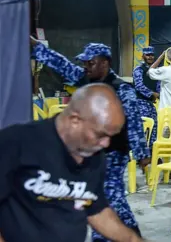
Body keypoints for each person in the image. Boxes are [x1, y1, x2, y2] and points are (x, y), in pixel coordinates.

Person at [30, 39, 151, 241]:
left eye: (90, 63)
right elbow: (63, 65)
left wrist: (142, 154)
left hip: (112, 155)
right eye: (84, 63)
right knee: (98, 199)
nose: (85, 67)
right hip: (88, 154)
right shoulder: (86, 80)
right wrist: (37, 46)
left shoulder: (121, 89)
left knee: (109, 198)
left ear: (105, 63)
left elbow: (134, 123)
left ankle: (127, 235)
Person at [0, 84, 144, 242]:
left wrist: (133, 239)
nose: (106, 143)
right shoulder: (17, 143)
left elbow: (95, 208)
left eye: (111, 136)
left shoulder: (94, 155)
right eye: (100, 134)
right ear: (75, 120)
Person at [132, 46, 160, 151]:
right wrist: (152, 94)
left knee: (154, 128)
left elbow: (158, 86)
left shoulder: (156, 71)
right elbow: (139, 86)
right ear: (143, 56)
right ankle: (141, 155)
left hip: (150, 104)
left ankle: (152, 153)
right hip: (140, 103)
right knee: (143, 129)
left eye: (152, 55)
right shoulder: (138, 70)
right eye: (148, 55)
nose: (150, 57)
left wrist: (159, 94)